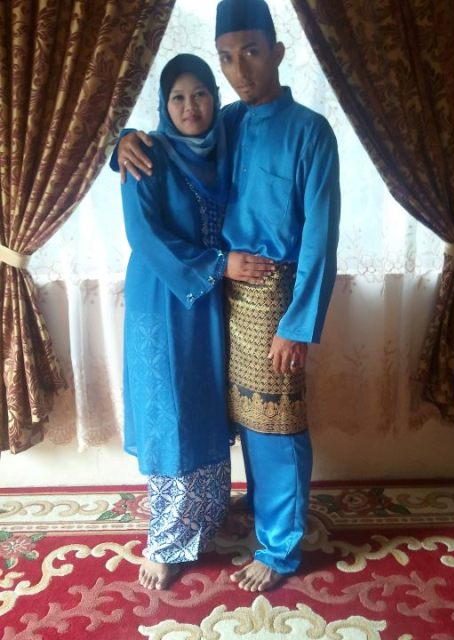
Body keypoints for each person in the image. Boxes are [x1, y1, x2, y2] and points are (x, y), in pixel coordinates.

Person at [116, 0, 340, 593]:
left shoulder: (310, 133)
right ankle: (260, 505)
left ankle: (281, 547)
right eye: (227, 57)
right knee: (239, 418)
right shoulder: (230, 122)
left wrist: (298, 324)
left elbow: (321, 240)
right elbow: (173, 142)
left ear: (277, 52)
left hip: (276, 296)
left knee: (276, 424)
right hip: (223, 294)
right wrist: (122, 140)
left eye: (252, 52)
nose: (240, 69)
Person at [118, 53, 272, 591]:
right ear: (164, 105)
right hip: (163, 301)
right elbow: (144, 235)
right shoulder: (148, 155)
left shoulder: (224, 143)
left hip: (208, 303)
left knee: (205, 406)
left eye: (200, 93)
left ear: (215, 98)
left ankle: (204, 519)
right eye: (177, 97)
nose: (190, 107)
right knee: (172, 413)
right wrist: (121, 138)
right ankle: (165, 542)